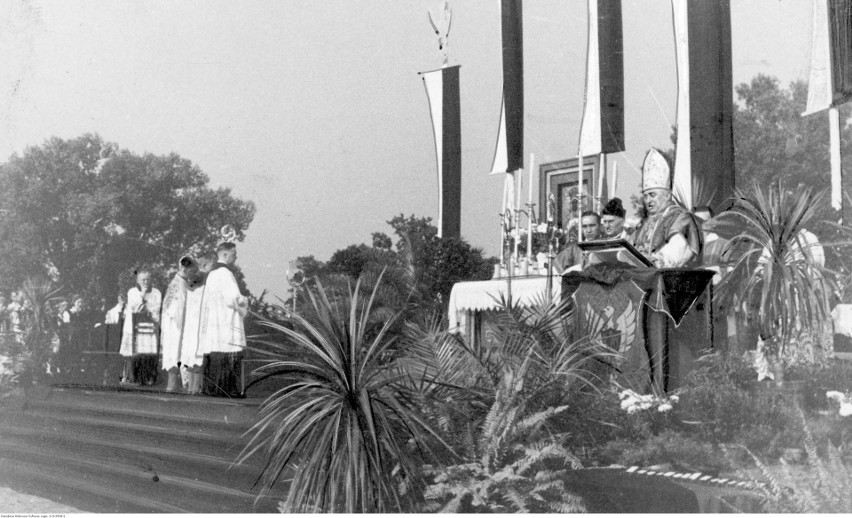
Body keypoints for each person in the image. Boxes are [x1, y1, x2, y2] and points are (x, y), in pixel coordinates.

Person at [633, 149, 703, 268]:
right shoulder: (645, 224)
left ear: (667, 195)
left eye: (652, 195)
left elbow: (676, 252)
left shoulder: (681, 219)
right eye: (645, 196)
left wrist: (655, 260)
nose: (648, 201)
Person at [198, 242, 248, 398]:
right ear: (225, 254)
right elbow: (232, 299)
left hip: (215, 322)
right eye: (234, 253)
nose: (236, 256)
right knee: (229, 350)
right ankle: (228, 389)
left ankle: (213, 388)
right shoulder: (225, 273)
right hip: (226, 322)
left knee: (216, 352)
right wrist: (244, 301)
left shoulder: (212, 274)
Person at [160, 256, 198, 392]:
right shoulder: (180, 284)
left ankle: (173, 387)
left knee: (173, 355)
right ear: (185, 268)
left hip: (171, 325)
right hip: (176, 326)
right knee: (176, 355)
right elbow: (179, 309)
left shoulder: (176, 282)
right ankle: (173, 387)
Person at [119, 269, 162, 385]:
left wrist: (148, 309)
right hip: (133, 327)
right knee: (133, 353)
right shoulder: (132, 292)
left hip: (149, 327)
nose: (146, 282)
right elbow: (134, 307)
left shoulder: (156, 292)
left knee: (148, 353)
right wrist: (142, 295)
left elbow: (156, 308)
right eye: (143, 280)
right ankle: (131, 378)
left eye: (148, 279)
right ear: (138, 280)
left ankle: (147, 378)